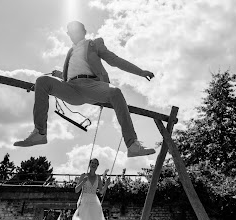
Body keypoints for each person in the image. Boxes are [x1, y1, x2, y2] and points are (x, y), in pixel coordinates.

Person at [14, 20, 156, 157]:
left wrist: (140, 72)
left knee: (116, 92)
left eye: (75, 30)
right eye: (69, 32)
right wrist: (53, 77)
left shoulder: (94, 44)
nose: (71, 34)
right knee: (42, 81)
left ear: (84, 31)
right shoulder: (70, 52)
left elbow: (115, 60)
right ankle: (40, 133)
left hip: (92, 86)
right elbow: (67, 75)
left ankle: (132, 145)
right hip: (72, 88)